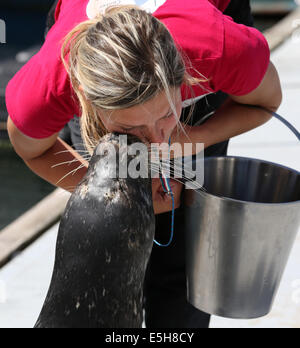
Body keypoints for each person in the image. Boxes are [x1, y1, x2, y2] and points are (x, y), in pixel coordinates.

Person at [5, 0, 282, 328]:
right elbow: (33, 149)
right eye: (130, 129)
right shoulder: (51, 87)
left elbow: (265, 102)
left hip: (199, 35)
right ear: (84, 97)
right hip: (99, 71)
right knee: (109, 245)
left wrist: (196, 137)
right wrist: (116, 199)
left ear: (186, 78)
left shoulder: (220, 50)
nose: (157, 143)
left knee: (186, 256)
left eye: (166, 115)